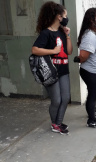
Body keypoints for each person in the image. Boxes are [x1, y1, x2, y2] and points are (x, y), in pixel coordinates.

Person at [32, 1, 73, 135]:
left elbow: (69, 51)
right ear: (58, 16)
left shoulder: (62, 31)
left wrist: (67, 35)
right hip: (51, 71)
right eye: (65, 15)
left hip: (63, 70)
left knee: (65, 97)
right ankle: (55, 124)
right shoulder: (46, 33)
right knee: (56, 100)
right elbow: (35, 50)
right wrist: (53, 51)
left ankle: (58, 123)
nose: (66, 18)